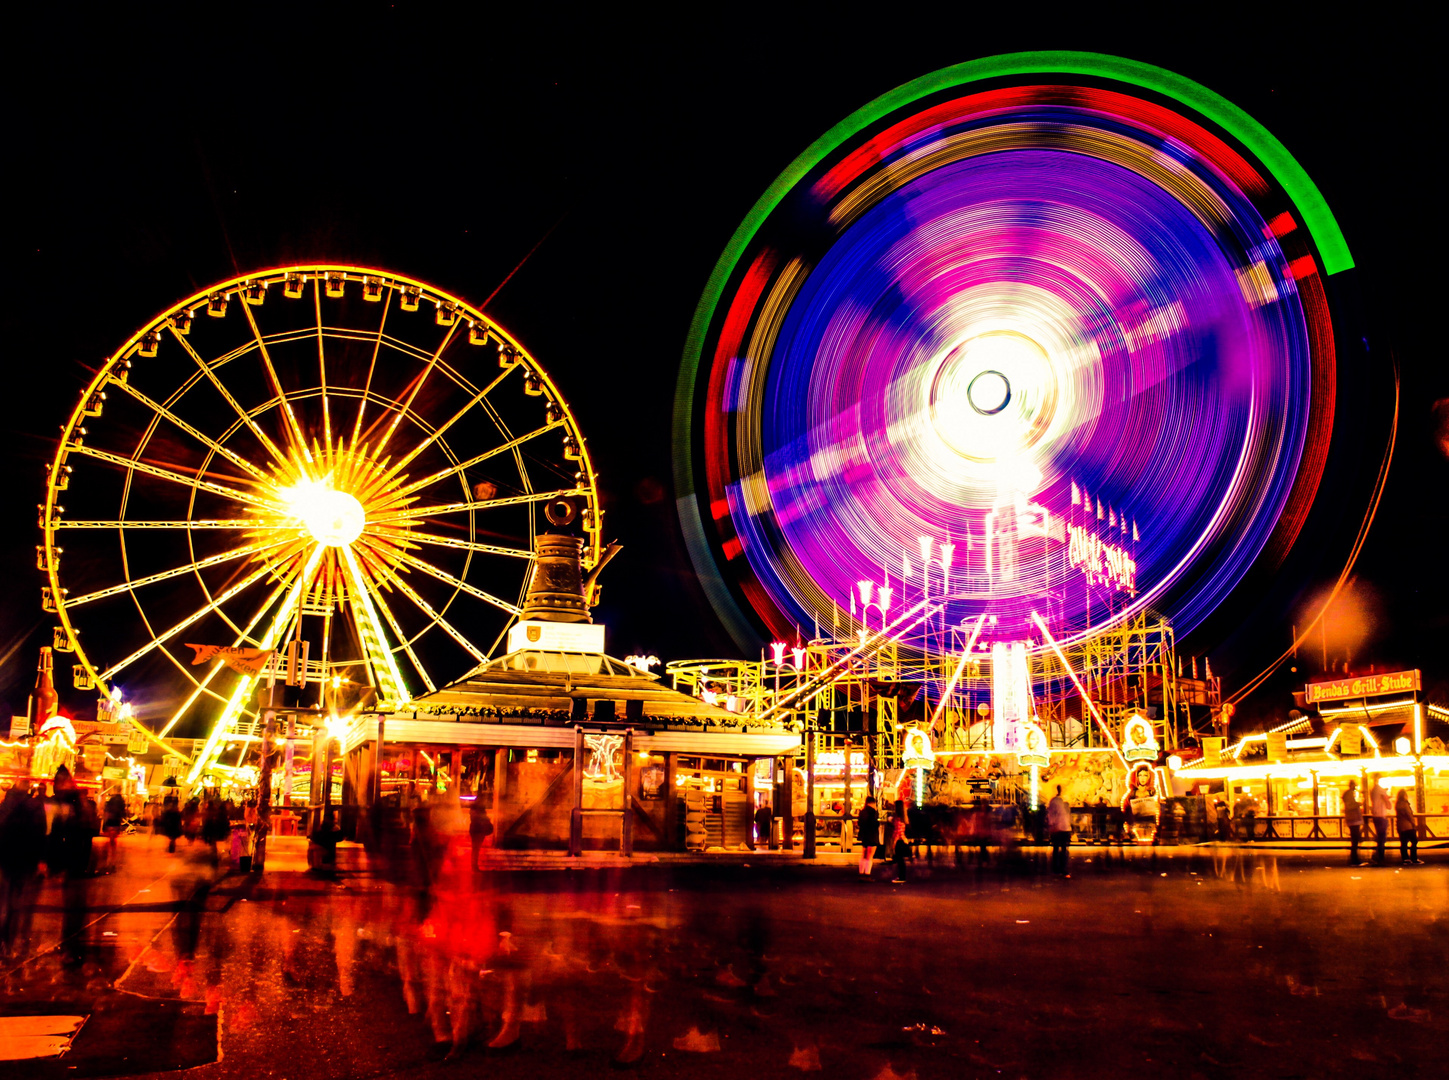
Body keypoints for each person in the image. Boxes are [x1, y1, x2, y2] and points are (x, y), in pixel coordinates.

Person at [1046, 785, 1072, 876]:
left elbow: (1051, 815)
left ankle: (1056, 868)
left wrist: (1051, 825)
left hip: (1058, 828)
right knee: (1064, 849)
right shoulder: (1065, 802)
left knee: (1056, 849)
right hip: (1065, 828)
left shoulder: (1054, 801)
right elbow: (1068, 815)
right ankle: (1063, 868)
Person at [467, 797, 493, 878]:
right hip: (478, 830)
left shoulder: (473, 809)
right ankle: (474, 867)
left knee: (475, 849)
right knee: (476, 849)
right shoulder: (478, 810)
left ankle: (474, 866)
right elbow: (479, 819)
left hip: (476, 830)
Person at [1368, 775, 1391, 866]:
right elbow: (1388, 805)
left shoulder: (1373, 790)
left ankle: (1376, 856)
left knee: (1379, 837)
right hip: (1381, 816)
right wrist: (1388, 800)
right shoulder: (1380, 790)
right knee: (1382, 838)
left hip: (1375, 816)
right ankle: (1379, 857)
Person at [102, 791, 126, 871]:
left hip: (110, 823)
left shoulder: (110, 805)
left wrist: (104, 825)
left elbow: (106, 814)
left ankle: (108, 862)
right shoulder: (120, 805)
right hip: (116, 823)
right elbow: (122, 814)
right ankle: (112, 862)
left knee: (109, 843)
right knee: (113, 843)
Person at [1395, 788, 1420, 865]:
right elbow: (1409, 815)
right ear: (1405, 795)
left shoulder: (1397, 804)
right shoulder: (1405, 804)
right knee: (1414, 841)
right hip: (1408, 826)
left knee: (1403, 843)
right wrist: (1413, 824)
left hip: (1400, 826)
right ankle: (1414, 858)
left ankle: (1405, 858)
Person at [856, 796, 880, 878]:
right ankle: (867, 874)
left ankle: (861, 872)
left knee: (864, 855)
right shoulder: (873, 812)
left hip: (864, 835)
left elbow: (859, 823)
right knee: (870, 856)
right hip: (872, 835)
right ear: (872, 803)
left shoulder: (862, 812)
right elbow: (874, 823)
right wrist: (878, 824)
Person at [1343, 780, 1363, 866]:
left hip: (1352, 819)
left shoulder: (1349, 794)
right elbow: (1350, 806)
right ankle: (1354, 859)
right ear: (1351, 785)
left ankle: (1354, 858)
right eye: (1354, 785)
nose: (1355, 787)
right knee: (1355, 840)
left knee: (1355, 839)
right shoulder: (1349, 794)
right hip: (1353, 819)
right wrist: (1358, 804)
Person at [889, 800, 909, 883]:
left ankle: (901, 877)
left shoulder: (898, 818)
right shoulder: (904, 817)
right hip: (902, 841)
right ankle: (901, 877)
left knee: (899, 860)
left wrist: (894, 842)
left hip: (899, 841)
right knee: (901, 860)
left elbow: (898, 831)